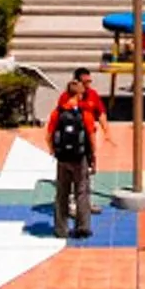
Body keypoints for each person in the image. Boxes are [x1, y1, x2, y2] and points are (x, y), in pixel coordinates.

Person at [47, 75, 110, 239]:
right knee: (82, 192)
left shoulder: (57, 113)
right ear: (79, 95)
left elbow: (48, 135)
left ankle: (61, 229)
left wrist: (53, 150)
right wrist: (93, 157)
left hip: (62, 159)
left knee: (62, 193)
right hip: (79, 158)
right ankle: (83, 227)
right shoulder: (85, 115)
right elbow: (91, 137)